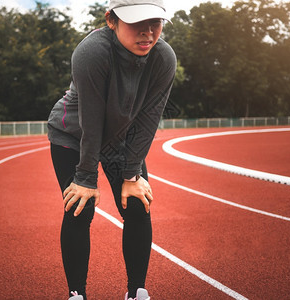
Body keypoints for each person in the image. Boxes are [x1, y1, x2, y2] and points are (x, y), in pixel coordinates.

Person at [47, 0, 176, 299]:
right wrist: (85, 177)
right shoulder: (91, 53)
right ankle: (76, 293)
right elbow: (91, 121)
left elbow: (149, 117)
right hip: (74, 134)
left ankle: (136, 292)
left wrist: (132, 174)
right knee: (80, 206)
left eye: (154, 23)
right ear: (111, 20)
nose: (147, 32)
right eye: (136, 23)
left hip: (122, 137)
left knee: (138, 204)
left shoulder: (164, 57)